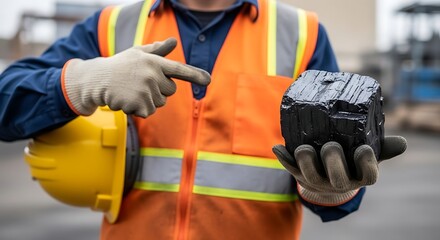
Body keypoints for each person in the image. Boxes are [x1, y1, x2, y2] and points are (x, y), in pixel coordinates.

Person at [0, 0, 407, 239]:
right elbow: (6, 106)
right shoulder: (113, 26)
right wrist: (83, 81)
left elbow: (336, 199)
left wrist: (328, 189)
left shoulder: (301, 33)